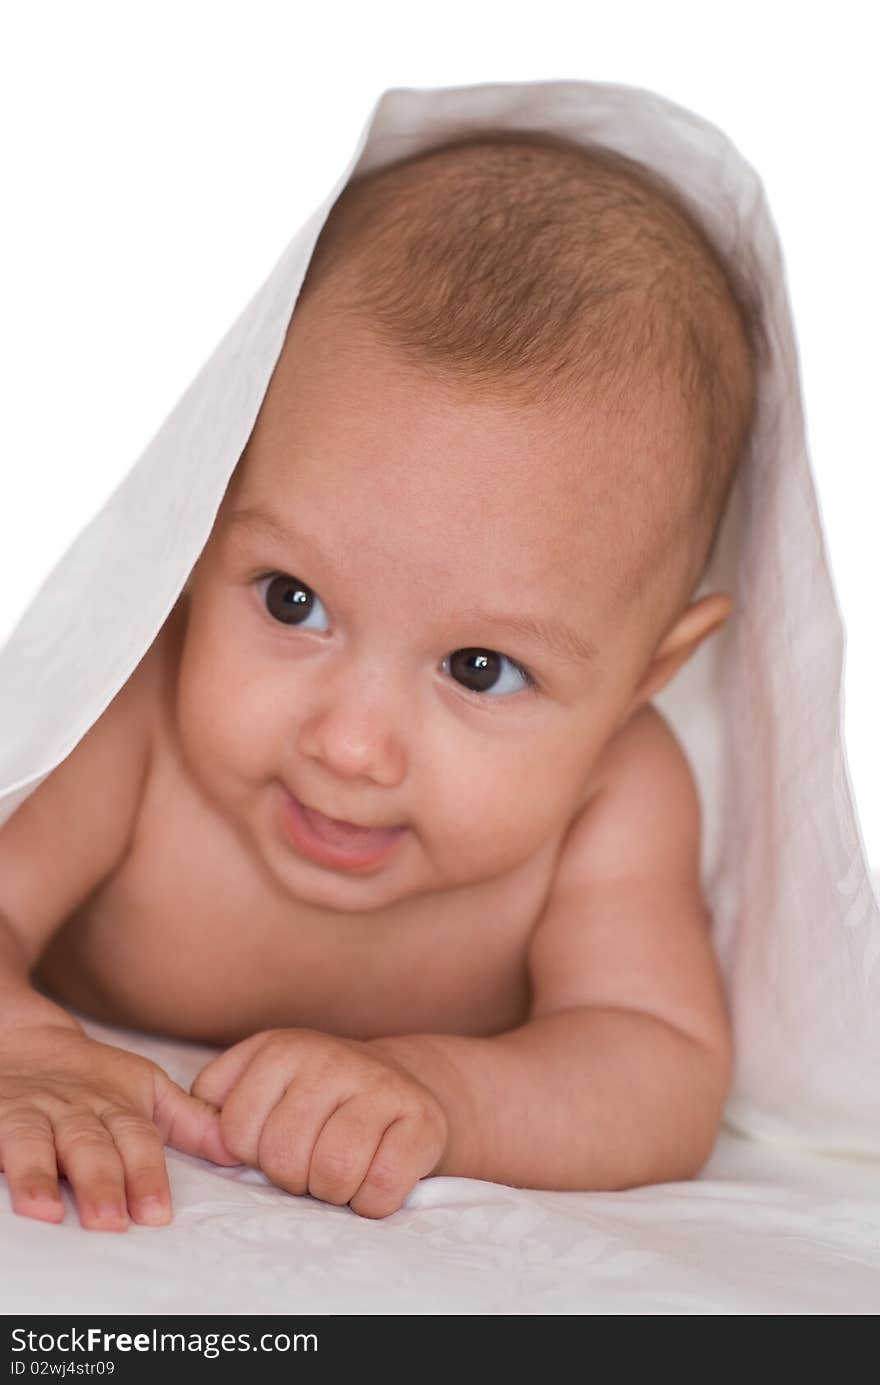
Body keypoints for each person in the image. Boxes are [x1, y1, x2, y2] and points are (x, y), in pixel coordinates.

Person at [0, 128, 763, 1229]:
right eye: (290, 599)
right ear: (200, 522)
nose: (350, 744)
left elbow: (658, 1065)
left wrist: (445, 1093)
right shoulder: (139, 706)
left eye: (479, 667)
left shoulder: (615, 792)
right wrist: (22, 1044)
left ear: (652, 671)